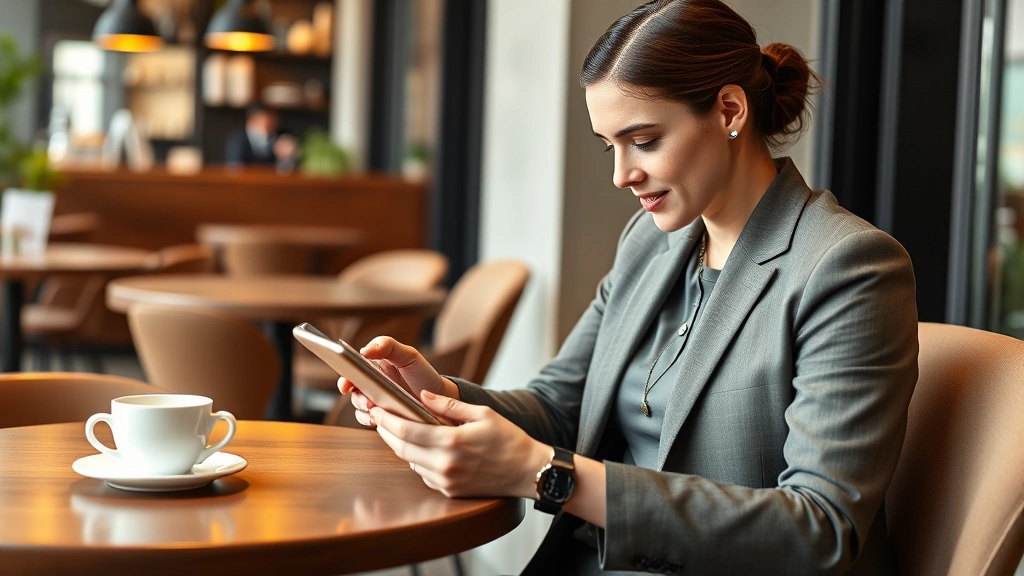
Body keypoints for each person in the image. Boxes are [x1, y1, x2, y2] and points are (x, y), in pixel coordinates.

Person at [340, 0, 919, 573]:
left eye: (643, 141)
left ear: (729, 110)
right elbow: (559, 409)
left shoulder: (848, 267)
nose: (622, 175)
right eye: (609, 146)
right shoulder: (649, 242)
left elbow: (819, 531)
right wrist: (438, 397)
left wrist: (548, 474)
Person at [224, 104, 297, 168]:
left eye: (273, 121)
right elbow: (235, 168)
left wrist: (286, 158)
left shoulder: (283, 136)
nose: (271, 126)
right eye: (266, 121)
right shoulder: (238, 139)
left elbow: (289, 171)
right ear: (252, 120)